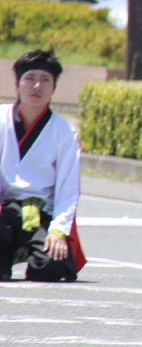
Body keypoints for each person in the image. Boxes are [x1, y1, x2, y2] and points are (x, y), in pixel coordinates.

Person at [0, 49, 85, 281]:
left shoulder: (64, 131)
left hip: (40, 213)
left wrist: (59, 231)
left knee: (50, 267)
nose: (37, 86)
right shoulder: (1, 120)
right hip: (3, 212)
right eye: (30, 78)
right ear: (17, 84)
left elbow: (68, 189)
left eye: (45, 80)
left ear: (54, 88)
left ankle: (32, 250)